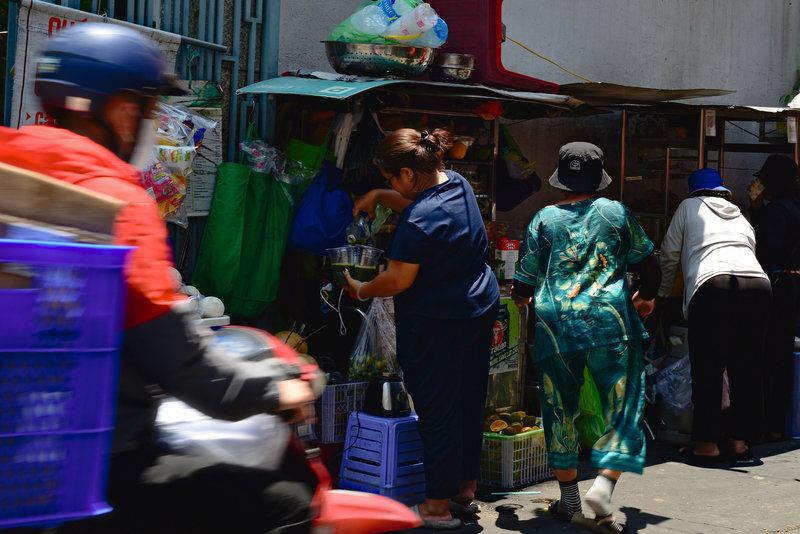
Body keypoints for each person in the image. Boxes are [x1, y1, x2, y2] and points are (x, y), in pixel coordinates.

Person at [0, 23, 318, 534]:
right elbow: (195, 376)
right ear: (121, 110)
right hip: (86, 467)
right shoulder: (112, 203)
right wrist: (282, 393)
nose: (151, 124)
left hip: (16, 450)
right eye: (150, 110)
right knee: (285, 501)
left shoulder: (11, 172)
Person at [343, 128, 500, 530]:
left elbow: (396, 281)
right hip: (478, 304)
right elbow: (416, 203)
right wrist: (379, 196)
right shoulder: (456, 184)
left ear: (410, 174)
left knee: (437, 409)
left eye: (391, 179)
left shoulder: (417, 222)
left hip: (439, 321)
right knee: (468, 397)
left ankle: (436, 508)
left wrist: (362, 289)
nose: (391, 186)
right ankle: (464, 490)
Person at [511, 142, 660, 534]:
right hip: (611, 325)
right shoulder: (615, 213)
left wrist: (525, 297)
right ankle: (603, 486)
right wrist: (645, 298)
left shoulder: (543, 219)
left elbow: (522, 284)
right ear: (599, 177)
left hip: (555, 328)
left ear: (561, 180)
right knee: (624, 408)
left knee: (559, 411)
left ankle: (571, 501)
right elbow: (650, 265)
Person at [658, 168, 771, 466]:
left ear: (693, 191)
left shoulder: (688, 206)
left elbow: (669, 253)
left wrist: (662, 294)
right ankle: (739, 441)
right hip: (758, 286)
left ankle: (707, 445)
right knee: (747, 367)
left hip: (714, 286)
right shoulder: (738, 213)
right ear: (722, 191)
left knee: (708, 367)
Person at [748, 155, 800, 441]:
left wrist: (756, 210)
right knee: (785, 354)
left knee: (771, 354)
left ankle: (769, 422)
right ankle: (780, 422)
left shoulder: (775, 211)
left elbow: (764, 250)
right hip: (795, 282)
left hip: (779, 285)